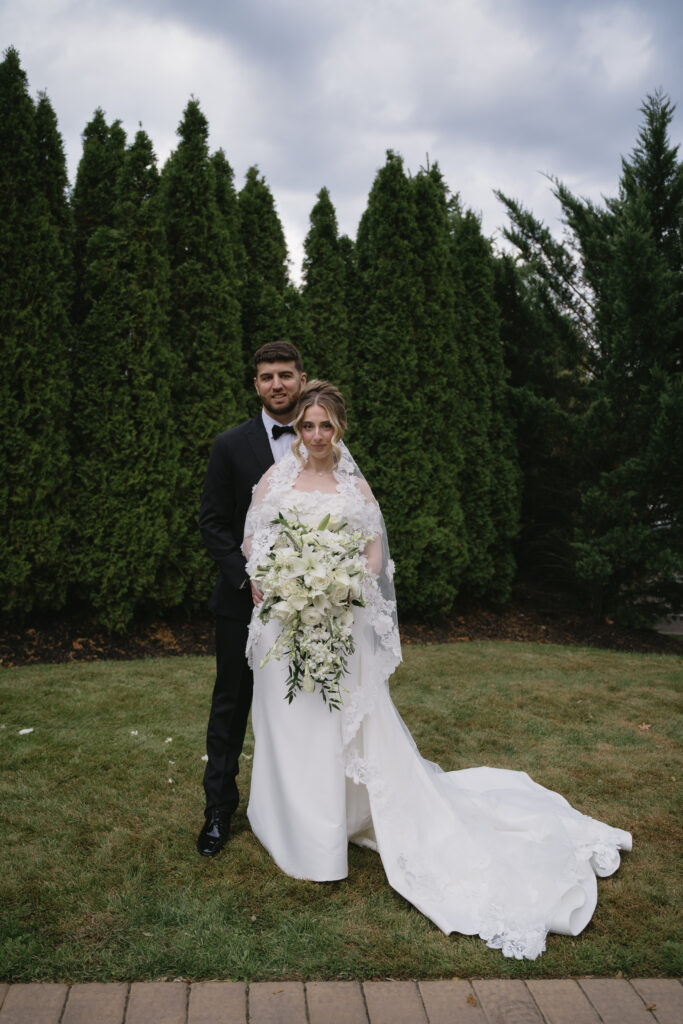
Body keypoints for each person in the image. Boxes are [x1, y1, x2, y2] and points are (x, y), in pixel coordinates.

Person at [241, 380, 632, 959]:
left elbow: (375, 553)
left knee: (330, 726)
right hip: (284, 622)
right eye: (307, 426)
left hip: (338, 620)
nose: (317, 436)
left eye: (326, 426)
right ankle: (290, 825)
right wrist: (272, 585)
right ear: (295, 428)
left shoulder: (354, 484)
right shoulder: (274, 481)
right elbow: (254, 542)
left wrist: (345, 584)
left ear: (339, 429)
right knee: (289, 723)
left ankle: (327, 837)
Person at [196, 340, 306, 857]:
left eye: (286, 374)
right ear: (255, 385)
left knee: (304, 705)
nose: (277, 384)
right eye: (267, 376)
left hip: (310, 605)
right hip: (243, 602)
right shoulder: (230, 445)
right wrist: (248, 578)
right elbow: (213, 521)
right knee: (232, 704)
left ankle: (300, 807)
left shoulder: (320, 438)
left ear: (301, 379)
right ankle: (218, 811)